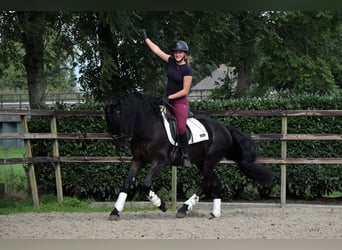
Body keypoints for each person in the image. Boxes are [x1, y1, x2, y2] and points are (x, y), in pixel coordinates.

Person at [139, 29, 192, 167]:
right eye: (175, 52)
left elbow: (185, 90)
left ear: (184, 54)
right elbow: (157, 51)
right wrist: (146, 38)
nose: (177, 54)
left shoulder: (187, 69)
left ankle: (186, 155)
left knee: (180, 127)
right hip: (166, 100)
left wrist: (170, 97)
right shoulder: (170, 61)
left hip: (179, 102)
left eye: (180, 52)